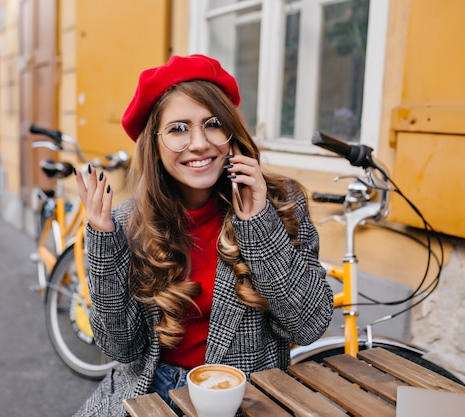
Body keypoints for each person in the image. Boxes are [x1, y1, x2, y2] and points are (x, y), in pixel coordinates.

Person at [73, 54, 334, 417]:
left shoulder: (281, 203)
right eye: (179, 129)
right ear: (155, 143)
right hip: (150, 389)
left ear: (232, 133)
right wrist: (103, 243)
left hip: (246, 395)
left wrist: (258, 222)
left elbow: (308, 325)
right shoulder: (128, 221)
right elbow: (122, 348)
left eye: (212, 124)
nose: (198, 143)